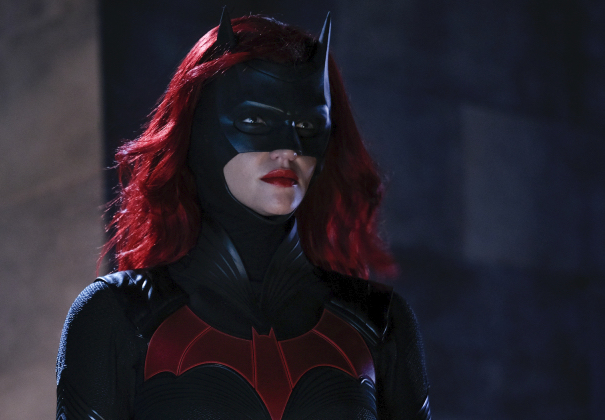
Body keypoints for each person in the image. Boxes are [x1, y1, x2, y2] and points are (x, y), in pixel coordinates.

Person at [56, 11, 431, 420]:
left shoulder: (378, 322)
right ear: (196, 131)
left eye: (308, 124)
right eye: (255, 120)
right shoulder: (118, 314)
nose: (288, 147)